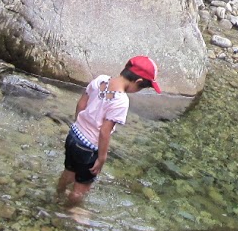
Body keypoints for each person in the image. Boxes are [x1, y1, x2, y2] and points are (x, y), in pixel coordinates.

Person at [56, 55, 160, 207]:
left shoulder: (101, 79)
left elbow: (81, 104)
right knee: (81, 188)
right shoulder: (121, 101)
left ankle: (57, 196)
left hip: (74, 135)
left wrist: (79, 126)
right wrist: (102, 157)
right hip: (89, 147)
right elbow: (105, 131)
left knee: (69, 171)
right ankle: (69, 210)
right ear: (137, 82)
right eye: (141, 88)